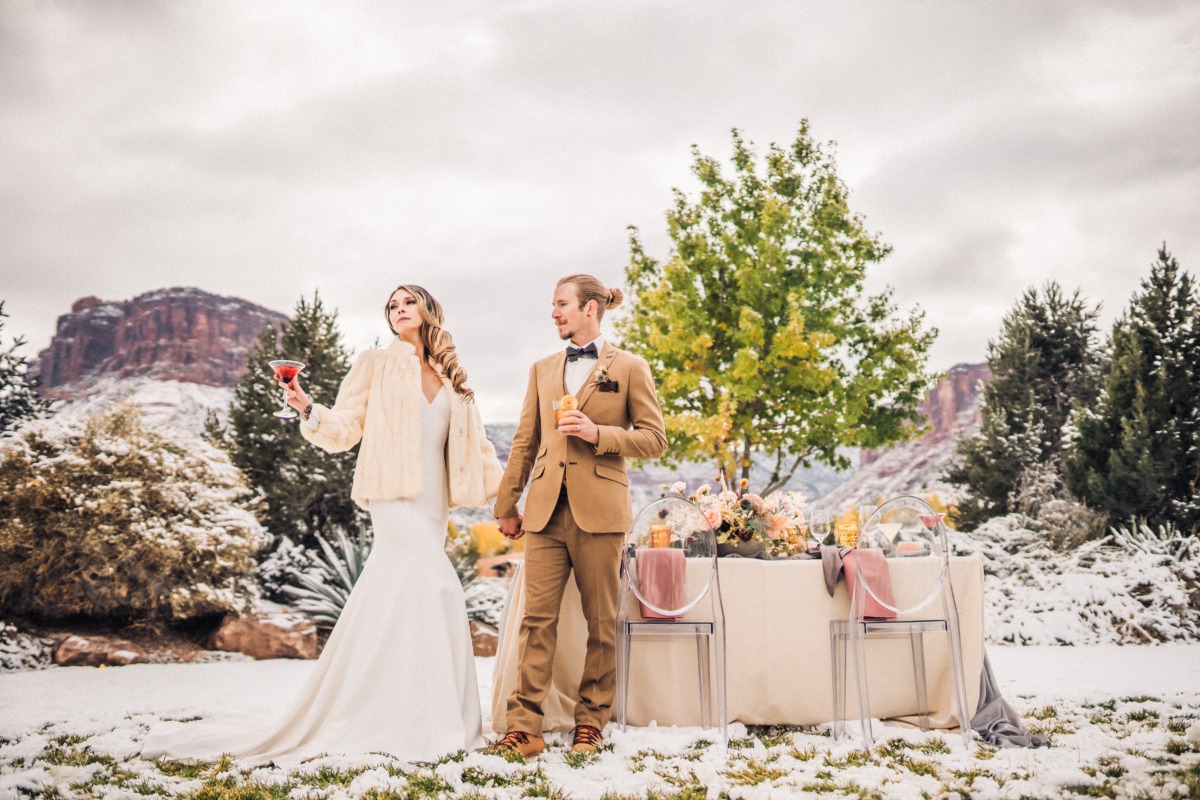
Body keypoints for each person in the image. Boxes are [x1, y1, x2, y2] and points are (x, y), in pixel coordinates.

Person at [141, 284, 502, 766]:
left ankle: (415, 712)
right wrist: (306, 405)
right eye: (392, 306)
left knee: (407, 593)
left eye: (407, 302)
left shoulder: (451, 373)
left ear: (429, 310)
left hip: (435, 500)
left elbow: (477, 448)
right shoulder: (374, 363)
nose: (398, 310)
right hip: (393, 496)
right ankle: (410, 717)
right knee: (433, 585)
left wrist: (508, 501)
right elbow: (347, 426)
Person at [492, 274, 667, 757]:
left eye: (562, 304)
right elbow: (525, 441)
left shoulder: (630, 367)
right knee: (536, 621)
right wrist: (508, 503)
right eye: (553, 305)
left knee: (600, 622)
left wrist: (599, 433)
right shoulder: (541, 368)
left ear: (591, 308)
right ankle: (523, 727)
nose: (554, 313)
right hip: (544, 512)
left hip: (602, 512)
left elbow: (655, 438)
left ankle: (590, 722)